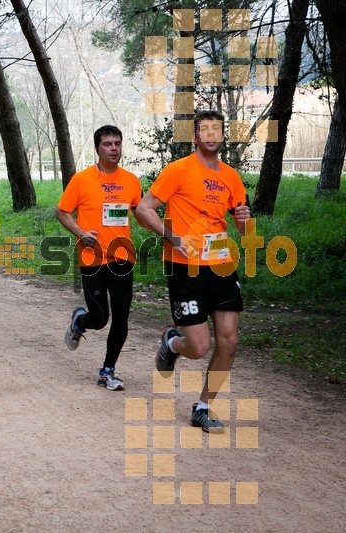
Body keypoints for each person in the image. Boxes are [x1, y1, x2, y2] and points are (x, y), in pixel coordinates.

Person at [134, 109, 251, 433]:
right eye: (205, 131)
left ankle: (202, 407)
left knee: (228, 341)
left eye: (217, 130)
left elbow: (246, 231)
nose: (212, 135)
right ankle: (172, 343)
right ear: (196, 137)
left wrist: (244, 221)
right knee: (199, 348)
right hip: (184, 266)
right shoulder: (178, 171)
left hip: (221, 264)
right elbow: (144, 210)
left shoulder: (231, 176)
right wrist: (173, 237)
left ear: (223, 136)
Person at [56, 125, 143, 391]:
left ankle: (108, 370)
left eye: (117, 143)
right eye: (108, 144)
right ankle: (81, 321)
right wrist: (81, 233)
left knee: (121, 317)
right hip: (92, 258)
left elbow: (140, 211)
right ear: (97, 148)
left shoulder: (131, 180)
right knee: (99, 317)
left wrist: (160, 227)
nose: (114, 148)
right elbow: (62, 212)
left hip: (122, 257)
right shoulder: (82, 180)